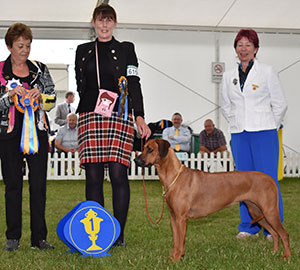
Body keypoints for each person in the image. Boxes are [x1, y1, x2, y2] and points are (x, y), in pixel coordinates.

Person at [75, 4, 151, 247]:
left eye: (109, 20)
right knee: (93, 176)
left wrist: (138, 115)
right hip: (90, 114)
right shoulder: (83, 50)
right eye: (100, 20)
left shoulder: (127, 49)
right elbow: (81, 84)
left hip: (119, 114)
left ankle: (118, 234)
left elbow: (134, 81)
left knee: (119, 173)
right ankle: (98, 233)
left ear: (115, 23)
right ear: (94, 23)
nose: (104, 25)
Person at [220, 28, 288, 240]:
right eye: (240, 44)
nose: (243, 49)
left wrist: (269, 126)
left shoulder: (267, 71)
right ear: (235, 49)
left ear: (256, 48)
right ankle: (248, 227)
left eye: (248, 45)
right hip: (240, 135)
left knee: (267, 182)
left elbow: (280, 105)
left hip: (265, 134)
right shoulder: (228, 76)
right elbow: (225, 105)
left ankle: (272, 229)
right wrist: (236, 123)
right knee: (243, 183)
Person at [0, 23, 56, 251]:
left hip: (38, 134)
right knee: (12, 185)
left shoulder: (40, 69)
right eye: (20, 46)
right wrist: (9, 95)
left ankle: (39, 238)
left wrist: (41, 96)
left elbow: (52, 99)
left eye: (28, 45)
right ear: (10, 46)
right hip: (9, 136)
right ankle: (13, 237)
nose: (25, 50)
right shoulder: (0, 71)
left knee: (38, 186)